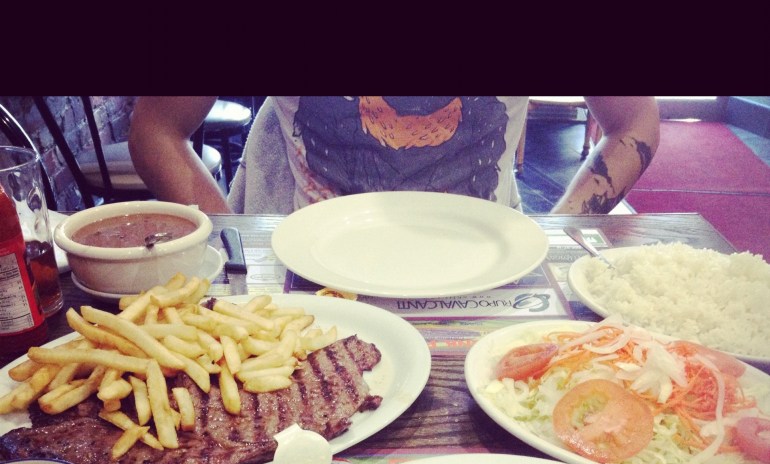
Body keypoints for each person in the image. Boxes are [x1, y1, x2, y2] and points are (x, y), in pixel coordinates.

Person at [128, 96, 660, 217]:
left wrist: (560, 232)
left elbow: (634, 121)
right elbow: (157, 129)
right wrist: (228, 247)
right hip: (306, 283)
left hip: (491, 275)